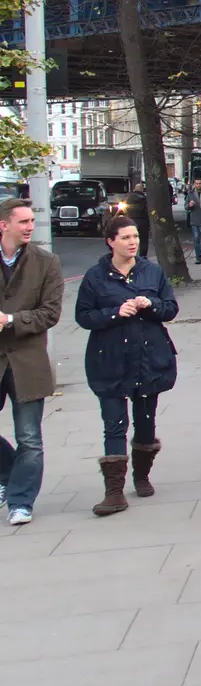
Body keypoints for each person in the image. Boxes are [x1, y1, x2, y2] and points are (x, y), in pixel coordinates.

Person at [75, 216, 179, 516]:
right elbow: (83, 316)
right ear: (111, 242)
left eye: (135, 236)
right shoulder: (95, 277)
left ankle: (142, 474)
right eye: (125, 238)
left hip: (148, 359)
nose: (132, 242)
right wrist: (114, 313)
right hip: (109, 360)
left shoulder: (151, 271)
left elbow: (170, 309)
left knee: (145, 423)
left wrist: (151, 305)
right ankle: (114, 492)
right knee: (114, 424)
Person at [0, 198, 63, 526]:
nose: (29, 227)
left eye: (31, 222)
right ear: (3, 225)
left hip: (27, 360)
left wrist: (10, 319)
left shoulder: (45, 262)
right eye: (22, 221)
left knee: (29, 436)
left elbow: (50, 313)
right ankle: (10, 474)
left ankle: (21, 501)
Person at [126, 181, 152, 257]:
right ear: (142, 190)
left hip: (132, 221)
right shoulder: (144, 199)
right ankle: (142, 257)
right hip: (143, 222)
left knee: (131, 240)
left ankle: (131, 255)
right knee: (143, 241)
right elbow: (148, 211)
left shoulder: (129, 198)